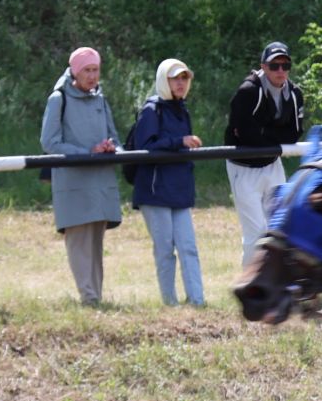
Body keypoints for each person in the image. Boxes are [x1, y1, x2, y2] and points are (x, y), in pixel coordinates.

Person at [42, 47, 123, 305]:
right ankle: (88, 298)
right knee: (79, 242)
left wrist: (112, 148)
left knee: (97, 245)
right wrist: (86, 153)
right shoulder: (58, 99)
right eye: (87, 70)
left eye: (95, 70)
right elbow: (49, 142)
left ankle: (95, 297)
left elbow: (116, 138)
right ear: (75, 72)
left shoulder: (101, 99)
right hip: (73, 183)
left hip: (100, 182)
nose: (92, 75)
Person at [129, 58, 205, 306]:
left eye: (184, 78)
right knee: (165, 251)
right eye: (175, 78)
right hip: (154, 191)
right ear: (164, 80)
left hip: (179, 191)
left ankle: (197, 300)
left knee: (188, 247)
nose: (181, 83)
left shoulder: (183, 110)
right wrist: (179, 141)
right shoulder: (152, 110)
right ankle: (170, 303)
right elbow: (145, 147)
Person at [224, 41, 306, 265]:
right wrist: (272, 134)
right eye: (274, 65)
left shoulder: (295, 93)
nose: (280, 70)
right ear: (263, 66)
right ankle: (250, 288)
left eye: (285, 65)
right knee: (257, 232)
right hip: (244, 167)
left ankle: (278, 282)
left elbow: (294, 134)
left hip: (272, 164)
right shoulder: (248, 91)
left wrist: (263, 133)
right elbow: (243, 133)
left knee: (281, 227)